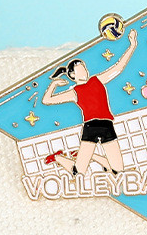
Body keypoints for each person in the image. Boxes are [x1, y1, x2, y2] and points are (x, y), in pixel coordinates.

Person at [40, 29, 137, 177]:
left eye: (84, 68)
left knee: (118, 171)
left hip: (107, 124)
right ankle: (58, 157)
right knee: (78, 173)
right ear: (72, 75)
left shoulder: (96, 80)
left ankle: (89, 156)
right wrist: (53, 84)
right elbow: (46, 100)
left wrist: (132, 45)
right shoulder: (75, 92)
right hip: (90, 127)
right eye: (81, 69)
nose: (85, 71)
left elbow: (118, 68)